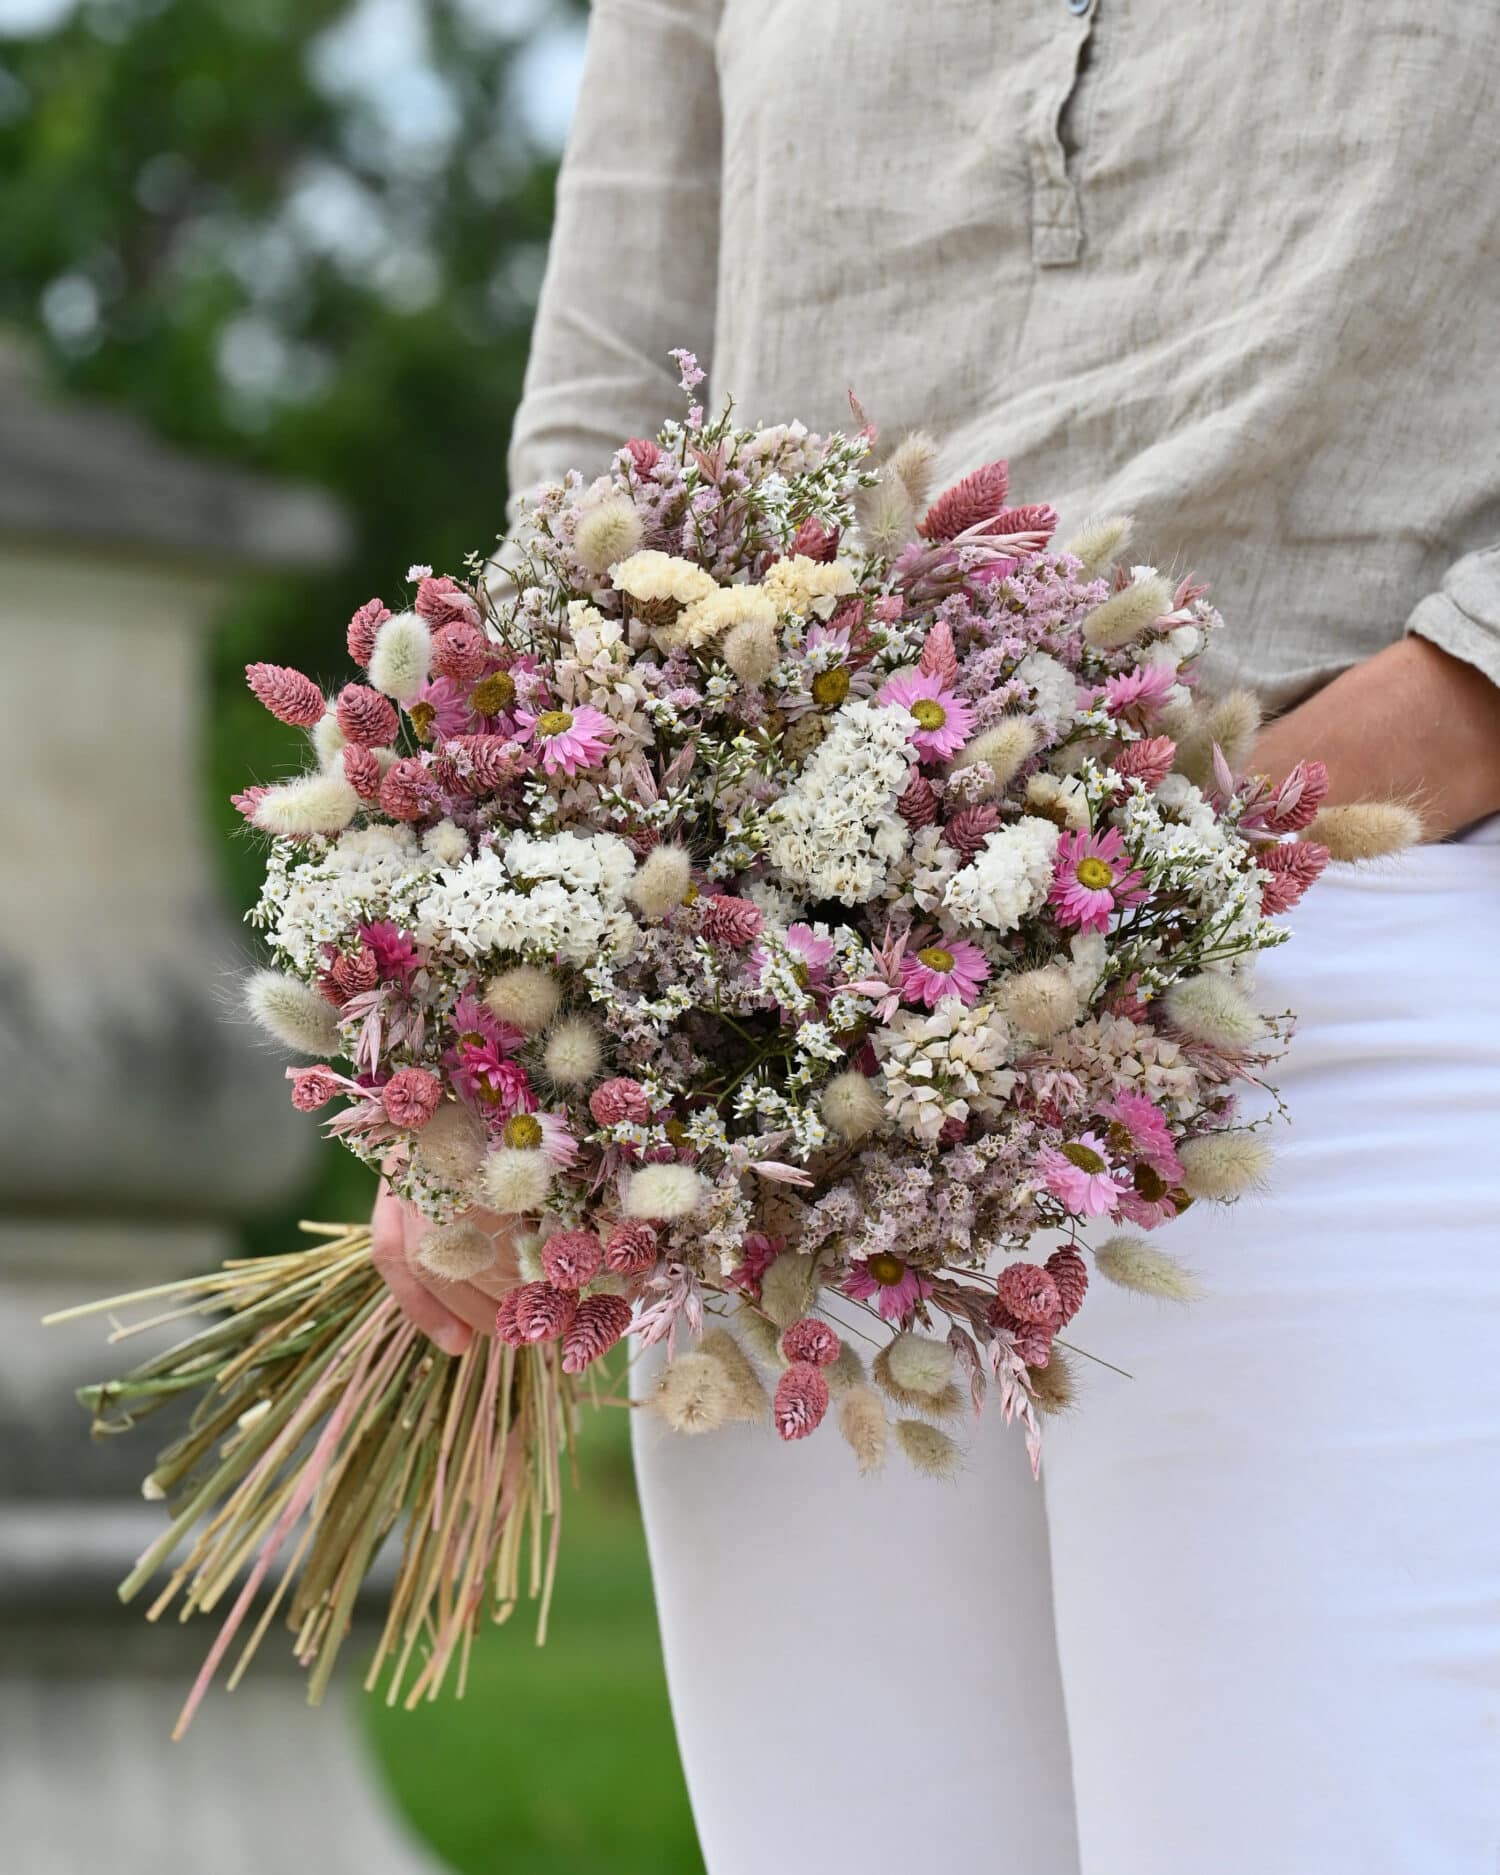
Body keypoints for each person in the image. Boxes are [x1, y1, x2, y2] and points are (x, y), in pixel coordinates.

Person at [374, 4, 1500, 1869]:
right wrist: (507, 983)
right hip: (764, 1048)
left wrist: (1194, 840)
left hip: (1351, 976)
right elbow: (597, 440)